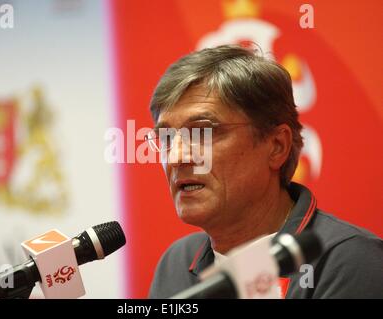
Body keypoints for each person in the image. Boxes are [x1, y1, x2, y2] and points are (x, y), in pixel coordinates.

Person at [146, 45, 383, 299]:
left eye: (203, 132)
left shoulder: (348, 260)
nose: (177, 157)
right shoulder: (177, 263)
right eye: (167, 137)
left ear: (276, 146)